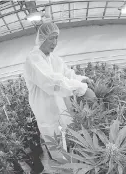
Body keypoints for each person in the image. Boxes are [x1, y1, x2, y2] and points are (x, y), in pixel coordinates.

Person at [23, 22, 96, 161]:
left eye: (57, 38)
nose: (55, 42)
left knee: (73, 146)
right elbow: (53, 82)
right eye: (52, 38)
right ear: (42, 38)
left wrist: (83, 79)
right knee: (60, 155)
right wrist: (81, 89)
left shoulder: (54, 59)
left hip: (62, 111)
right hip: (48, 116)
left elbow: (67, 75)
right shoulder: (33, 59)